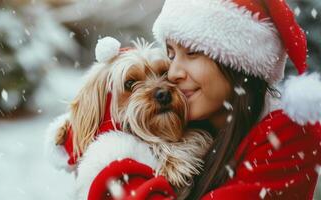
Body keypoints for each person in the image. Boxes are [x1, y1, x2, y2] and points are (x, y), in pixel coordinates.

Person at [51, 0, 321, 199]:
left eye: (191, 53)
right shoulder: (193, 120)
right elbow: (88, 124)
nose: (174, 73)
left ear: (238, 62)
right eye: (170, 54)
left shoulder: (288, 134)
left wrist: (114, 166)